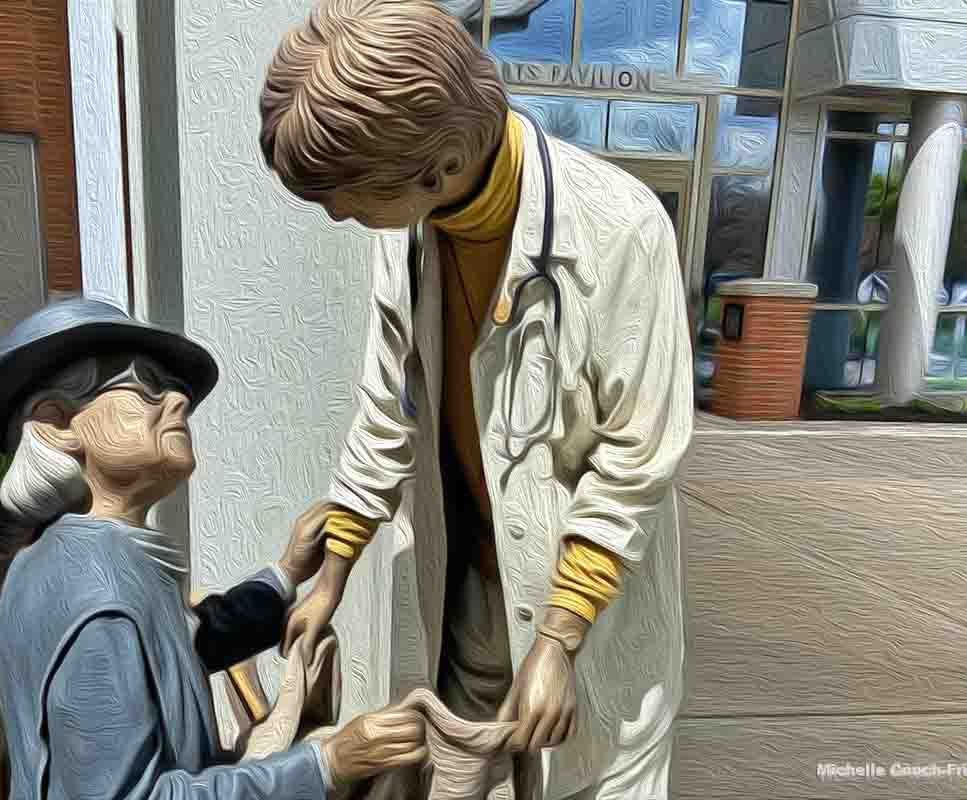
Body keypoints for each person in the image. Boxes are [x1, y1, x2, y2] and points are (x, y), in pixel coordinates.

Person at [258, 2, 695, 798]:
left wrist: (560, 638)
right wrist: (332, 579)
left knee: (590, 779)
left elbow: (636, 457)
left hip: (587, 612)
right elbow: (388, 411)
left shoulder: (624, 228)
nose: (339, 214)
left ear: (445, 161)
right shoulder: (409, 230)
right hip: (469, 595)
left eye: (347, 196)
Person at [0, 298, 428, 800]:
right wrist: (325, 765)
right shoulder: (95, 598)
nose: (178, 401)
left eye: (171, 387)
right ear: (57, 424)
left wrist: (286, 573)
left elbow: (182, 646)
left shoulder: (86, 555)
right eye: (145, 386)